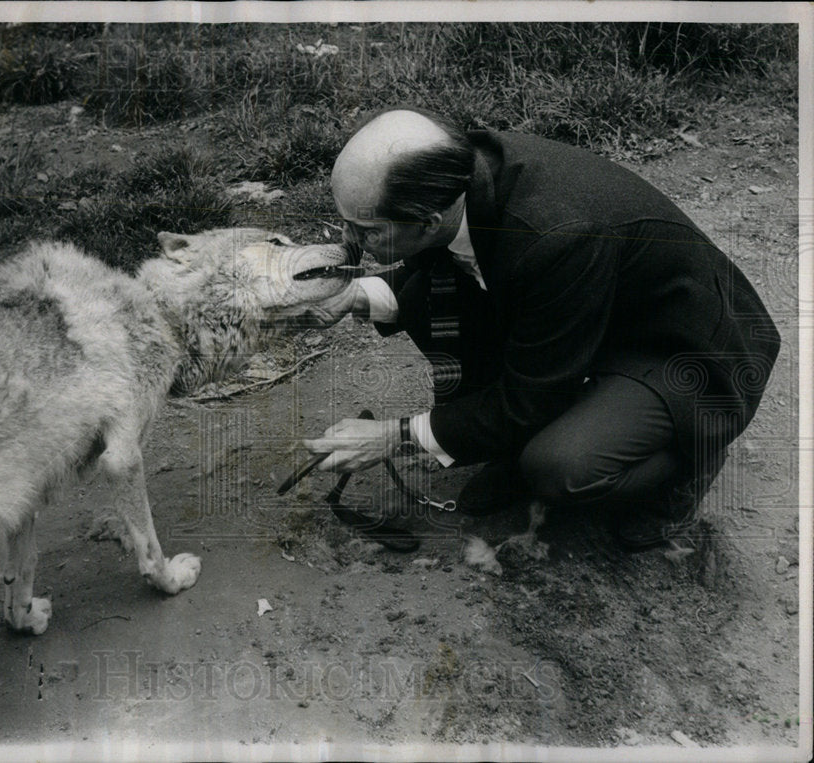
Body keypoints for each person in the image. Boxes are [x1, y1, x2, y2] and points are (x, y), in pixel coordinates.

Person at [300, 107, 780, 549]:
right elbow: (439, 264)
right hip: (595, 313)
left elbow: (532, 398)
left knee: (559, 467)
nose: (351, 245)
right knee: (441, 307)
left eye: (364, 231)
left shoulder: (553, 235)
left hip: (685, 349)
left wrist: (395, 435)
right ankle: (516, 442)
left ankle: (687, 459)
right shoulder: (454, 177)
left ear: (428, 220)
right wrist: (354, 297)